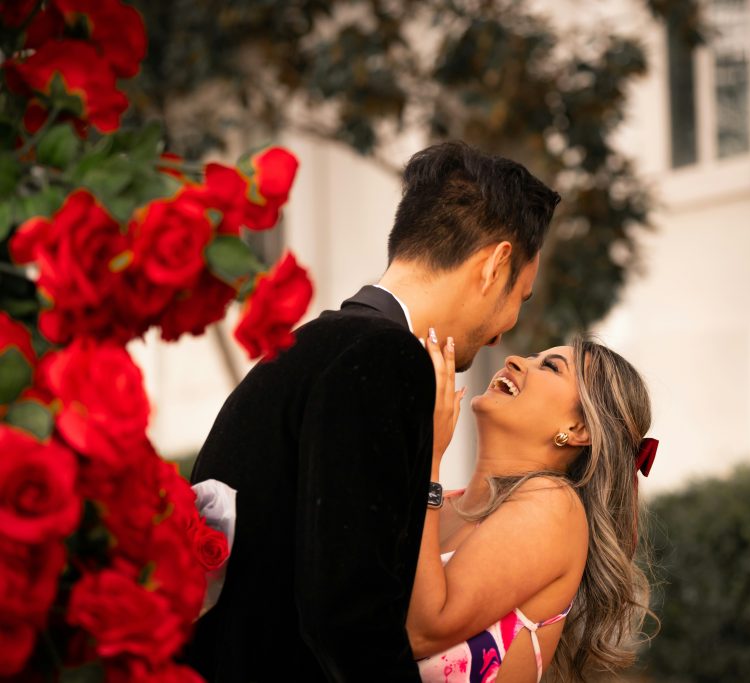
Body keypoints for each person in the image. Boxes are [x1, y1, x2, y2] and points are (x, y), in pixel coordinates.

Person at [185, 141, 560, 682]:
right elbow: (348, 614)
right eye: (518, 298)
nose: (507, 330)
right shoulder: (386, 360)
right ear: (495, 264)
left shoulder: (316, 346)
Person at [409, 335, 658, 682]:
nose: (514, 360)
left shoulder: (553, 505)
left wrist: (426, 457)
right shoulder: (438, 501)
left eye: (551, 367)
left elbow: (422, 632)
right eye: (532, 355)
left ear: (578, 429)